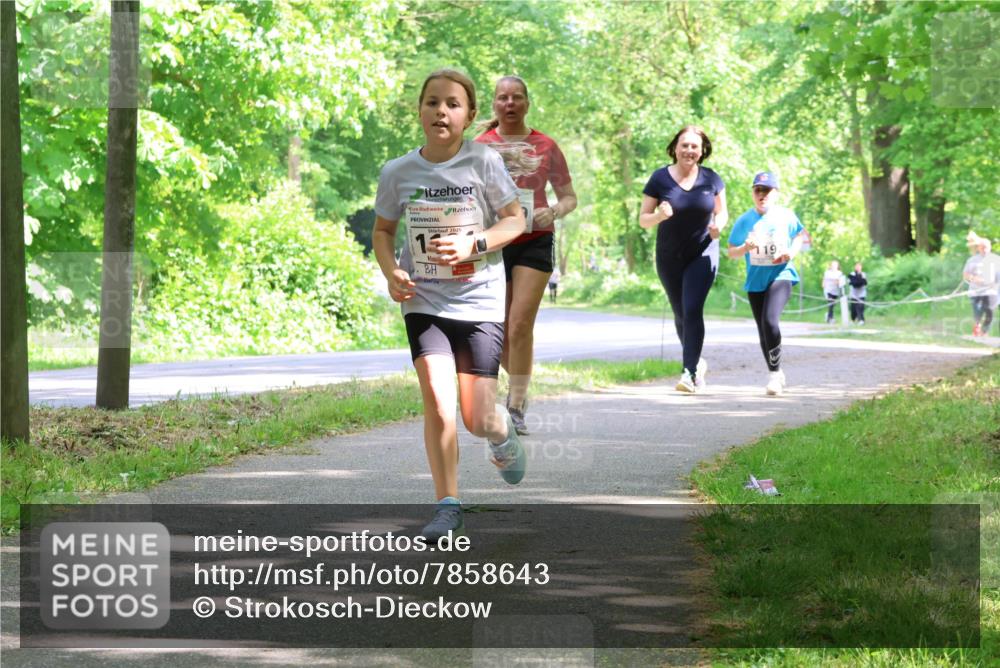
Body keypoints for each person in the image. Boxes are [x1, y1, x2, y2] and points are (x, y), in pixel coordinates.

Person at [373, 70, 527, 541]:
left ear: (470, 114)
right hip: (424, 300)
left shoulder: (483, 161)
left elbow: (515, 220)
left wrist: (473, 245)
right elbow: (383, 231)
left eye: (453, 104)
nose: (442, 111)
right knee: (439, 406)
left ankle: (501, 432)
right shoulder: (398, 171)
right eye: (433, 102)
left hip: (479, 301)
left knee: (476, 418)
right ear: (420, 110)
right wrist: (391, 271)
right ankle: (447, 505)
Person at [475, 75, 577, 434]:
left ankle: (515, 405)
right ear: (494, 104)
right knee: (500, 329)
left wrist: (555, 211)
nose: (510, 103)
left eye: (516, 97)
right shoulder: (479, 147)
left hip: (535, 238)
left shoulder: (546, 145)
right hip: (496, 240)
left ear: (527, 103)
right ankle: (521, 382)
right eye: (503, 98)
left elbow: (569, 197)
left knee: (520, 325)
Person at [639, 125, 728, 393]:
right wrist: (659, 216)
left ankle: (688, 373)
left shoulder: (711, 179)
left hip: (703, 252)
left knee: (692, 309)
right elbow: (643, 220)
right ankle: (697, 362)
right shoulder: (659, 179)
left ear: (702, 151)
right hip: (669, 256)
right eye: (685, 145)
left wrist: (718, 226)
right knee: (680, 313)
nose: (689, 150)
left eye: (694, 146)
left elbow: (722, 212)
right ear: (675, 149)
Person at [727, 172, 806, 396]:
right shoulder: (744, 220)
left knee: (770, 321)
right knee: (763, 329)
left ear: (776, 193)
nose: (762, 195)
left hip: (781, 274)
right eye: (758, 190)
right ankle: (776, 370)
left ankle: (773, 377)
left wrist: (790, 253)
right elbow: (731, 252)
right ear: (753, 193)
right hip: (755, 281)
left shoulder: (786, 216)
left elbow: (799, 236)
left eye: (767, 191)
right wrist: (745, 248)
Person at [964, 232, 998, 336]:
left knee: (990, 311)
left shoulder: (996, 260)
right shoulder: (972, 260)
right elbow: (966, 275)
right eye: (982, 247)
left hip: (991, 291)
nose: (984, 249)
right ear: (978, 248)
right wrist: (973, 278)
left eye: (986, 247)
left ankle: (984, 331)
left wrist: (995, 283)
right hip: (976, 291)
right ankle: (977, 325)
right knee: (978, 311)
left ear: (990, 247)